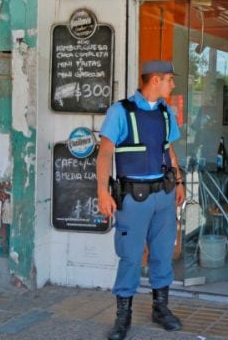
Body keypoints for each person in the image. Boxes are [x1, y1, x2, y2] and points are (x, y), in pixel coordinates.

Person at [96, 60, 185, 340]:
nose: (172, 84)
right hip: (133, 198)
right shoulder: (120, 111)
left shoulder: (166, 112)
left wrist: (179, 181)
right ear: (155, 79)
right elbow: (105, 154)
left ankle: (161, 308)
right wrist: (101, 191)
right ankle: (123, 317)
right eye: (169, 79)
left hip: (164, 195)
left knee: (162, 254)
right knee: (131, 257)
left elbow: (168, 151)